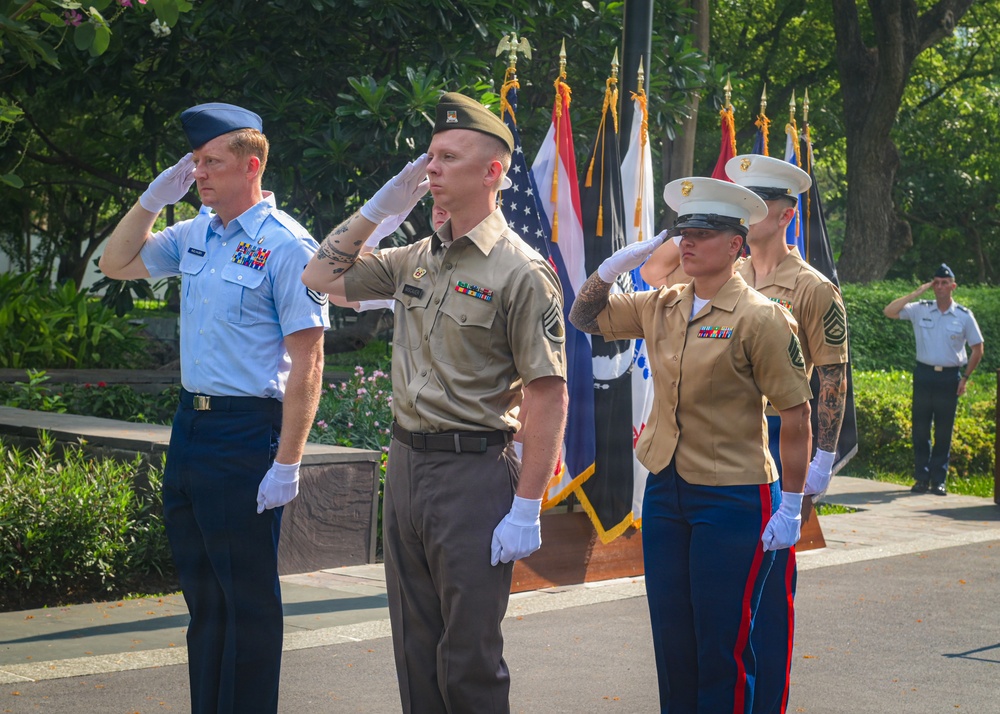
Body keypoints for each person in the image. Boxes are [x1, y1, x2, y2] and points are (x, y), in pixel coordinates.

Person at [302, 91, 568, 713]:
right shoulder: (415, 259)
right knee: (414, 648)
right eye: (430, 157)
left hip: (473, 472)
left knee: (469, 657)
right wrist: (378, 208)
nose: (432, 170)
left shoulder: (521, 271)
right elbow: (320, 276)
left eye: (448, 156)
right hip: (407, 467)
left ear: (493, 171)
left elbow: (546, 392)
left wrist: (527, 506)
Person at [98, 103, 328, 714]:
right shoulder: (194, 233)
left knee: (247, 602)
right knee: (204, 600)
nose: (198, 174)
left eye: (211, 163)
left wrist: (288, 462)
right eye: (194, 163)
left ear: (251, 166)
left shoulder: (286, 245)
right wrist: (152, 199)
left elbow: (309, 360)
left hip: (246, 432)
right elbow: (114, 263)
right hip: (191, 427)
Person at [570, 177, 812, 713]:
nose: (688, 242)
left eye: (703, 233)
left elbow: (796, 414)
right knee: (673, 643)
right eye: (683, 232)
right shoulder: (662, 305)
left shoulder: (761, 318)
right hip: (666, 490)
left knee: (722, 646)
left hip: (734, 496)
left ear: (735, 246)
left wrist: (792, 504)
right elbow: (583, 318)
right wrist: (611, 270)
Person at [725, 154, 849, 714]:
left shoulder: (812, 287)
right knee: (727, 591)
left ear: (786, 213)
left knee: (770, 595)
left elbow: (832, 375)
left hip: (782, 443)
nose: (745, 212)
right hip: (725, 444)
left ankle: (766, 703)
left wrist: (821, 459)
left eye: (758, 202)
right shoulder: (727, 276)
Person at [883, 264, 984, 496]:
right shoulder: (921, 309)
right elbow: (889, 311)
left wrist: (965, 378)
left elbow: (978, 349)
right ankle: (921, 479)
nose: (940, 287)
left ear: (953, 286)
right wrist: (917, 292)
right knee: (919, 430)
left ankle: (939, 480)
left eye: (944, 283)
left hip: (950, 378)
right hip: (924, 375)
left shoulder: (964, 316)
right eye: (936, 282)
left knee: (943, 431)